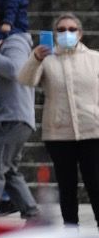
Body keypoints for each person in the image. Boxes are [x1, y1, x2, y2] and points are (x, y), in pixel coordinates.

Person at [19, 13, 99, 226]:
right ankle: (70, 230)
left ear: (80, 33)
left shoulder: (95, 58)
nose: (67, 33)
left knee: (96, 183)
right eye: (61, 29)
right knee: (67, 186)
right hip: (58, 133)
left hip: (93, 131)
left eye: (72, 29)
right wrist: (35, 58)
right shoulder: (47, 59)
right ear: (54, 35)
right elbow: (25, 80)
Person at [0, 5, 38, 221]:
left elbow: (14, 70)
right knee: (9, 170)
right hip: (10, 116)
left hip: (12, 117)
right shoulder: (2, 42)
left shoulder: (15, 42)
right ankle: (32, 213)